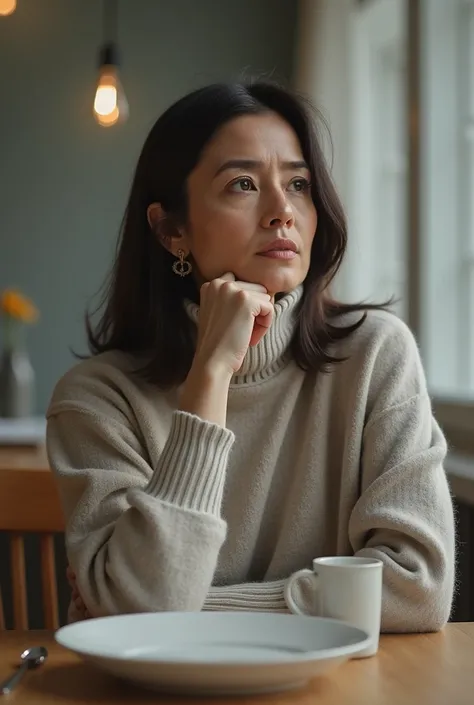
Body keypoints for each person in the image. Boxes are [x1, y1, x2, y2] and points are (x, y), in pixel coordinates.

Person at [47, 81, 455, 632]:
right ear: (171, 229)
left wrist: (189, 609)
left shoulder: (376, 355)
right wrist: (211, 374)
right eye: (243, 184)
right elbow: (143, 610)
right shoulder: (96, 398)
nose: (282, 211)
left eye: (299, 183)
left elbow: (418, 586)